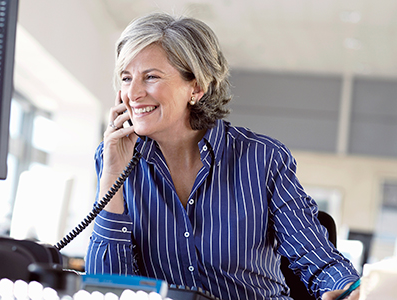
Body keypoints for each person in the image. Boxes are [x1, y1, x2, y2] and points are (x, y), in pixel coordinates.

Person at [85, 12, 360, 300]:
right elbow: (108, 287)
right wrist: (113, 174)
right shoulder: (117, 162)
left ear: (196, 87)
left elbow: (316, 255)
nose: (133, 93)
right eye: (126, 78)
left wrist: (349, 291)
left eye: (151, 77)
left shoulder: (263, 159)